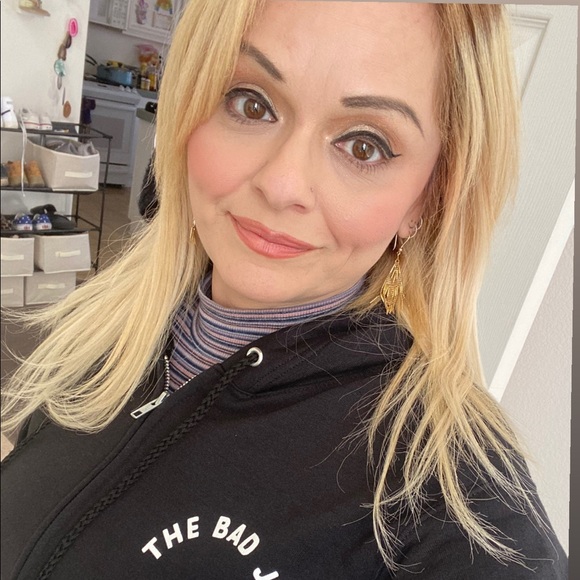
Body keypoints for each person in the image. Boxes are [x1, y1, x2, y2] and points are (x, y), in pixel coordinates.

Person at [0, 2, 568, 578]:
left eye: (365, 146)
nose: (281, 184)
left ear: (428, 197)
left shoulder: (460, 508)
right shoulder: (103, 323)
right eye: (250, 102)